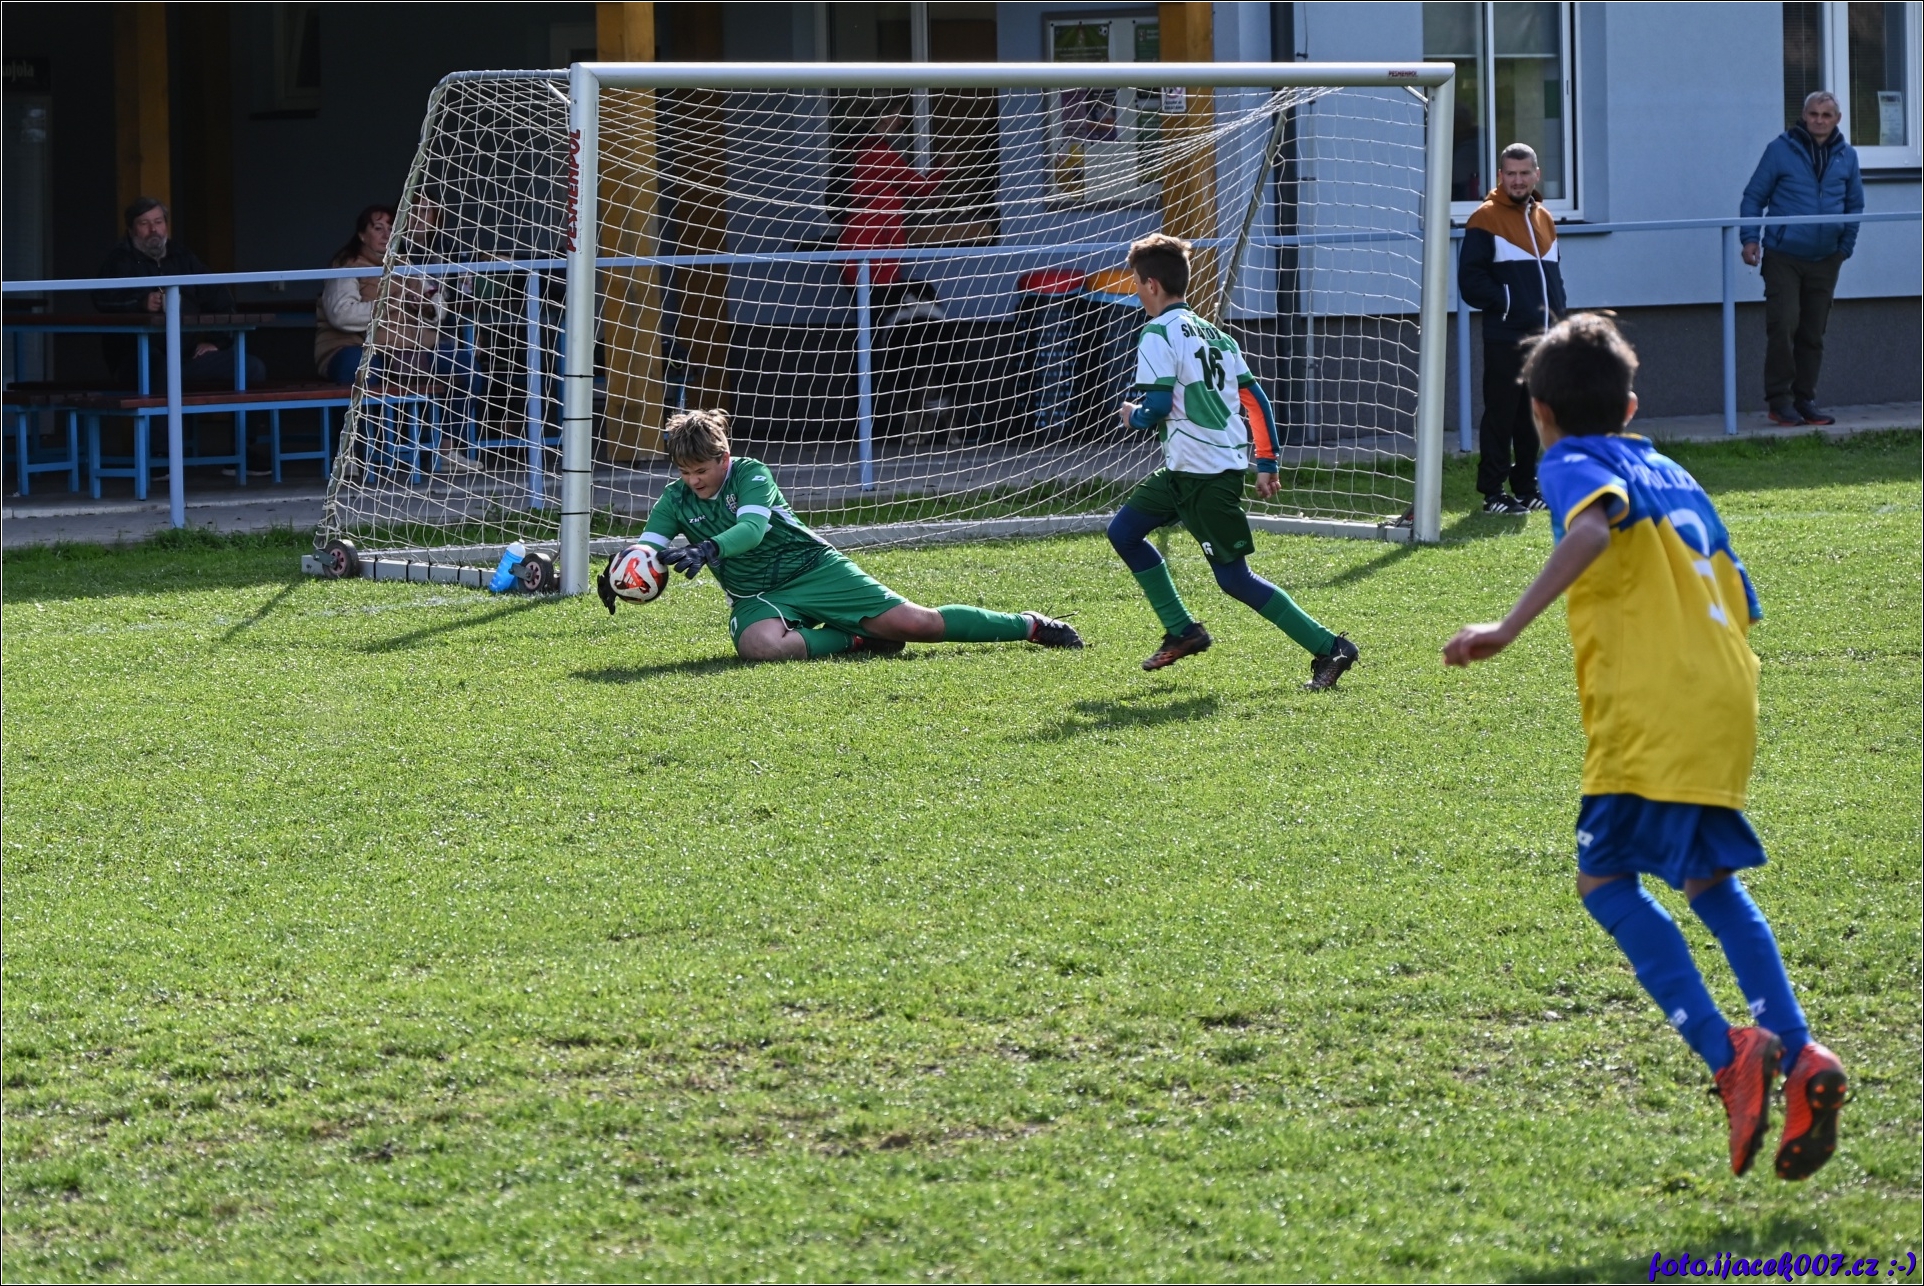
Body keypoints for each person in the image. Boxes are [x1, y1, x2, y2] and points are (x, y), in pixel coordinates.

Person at [1443, 313, 1847, 1183]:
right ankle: (1802, 1049)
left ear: (1540, 413)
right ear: (1630, 407)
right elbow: (1742, 594)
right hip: (1726, 692)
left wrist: (1505, 628)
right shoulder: (1673, 472)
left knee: (1604, 881)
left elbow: (1591, 531)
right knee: (1710, 883)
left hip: (1653, 707)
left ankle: (1729, 1056)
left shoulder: (1568, 462)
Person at [603, 408, 1084, 662]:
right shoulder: (676, 498)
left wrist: (710, 547)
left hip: (814, 570)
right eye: (685, 472)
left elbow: (751, 530)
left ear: (723, 458)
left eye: (701, 470)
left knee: (918, 625)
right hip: (755, 595)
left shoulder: (751, 474)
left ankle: (1029, 625)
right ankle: (857, 640)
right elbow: (649, 545)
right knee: (761, 648)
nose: (693, 481)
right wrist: (622, 570)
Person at [1104, 234, 1357, 688]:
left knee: (1235, 579)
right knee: (1124, 531)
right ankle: (1182, 630)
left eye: (1137, 284)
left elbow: (1157, 406)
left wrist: (1133, 415)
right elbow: (1255, 400)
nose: (1137, 292)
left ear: (1152, 285)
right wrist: (1267, 461)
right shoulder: (1217, 335)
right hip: (1186, 471)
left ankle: (1330, 647)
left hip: (1205, 477)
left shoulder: (1157, 333)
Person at [1741, 90, 1863, 427]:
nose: (1819, 120)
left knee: (1813, 332)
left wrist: (1844, 248)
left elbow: (1855, 205)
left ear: (1837, 119)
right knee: (1784, 325)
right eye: (1813, 114)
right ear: (1803, 115)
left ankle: (1805, 400)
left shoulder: (1847, 156)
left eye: (1826, 115)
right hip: (1784, 256)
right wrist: (1749, 239)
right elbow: (1754, 197)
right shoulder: (1780, 150)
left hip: (1826, 258)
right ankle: (1780, 402)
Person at [1458, 143, 1566, 515]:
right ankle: (1492, 492)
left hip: (1544, 336)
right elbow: (1471, 281)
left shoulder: (1545, 218)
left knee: (1533, 416)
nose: (1518, 180)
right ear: (1500, 176)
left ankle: (1526, 487)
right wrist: (1507, 301)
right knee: (1501, 414)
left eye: (1524, 173)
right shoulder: (1484, 218)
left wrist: (1559, 320)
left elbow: (1554, 280)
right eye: (1511, 174)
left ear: (1536, 174)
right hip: (1505, 335)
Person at [93, 197, 266, 389]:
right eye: (144, 223)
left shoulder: (182, 257)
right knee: (161, 369)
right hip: (137, 357)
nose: (153, 229)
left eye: (158, 222)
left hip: (186, 357)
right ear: (131, 230)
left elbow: (220, 298)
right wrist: (141, 302)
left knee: (251, 368)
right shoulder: (119, 261)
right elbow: (103, 299)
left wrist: (216, 342)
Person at [838, 104, 945, 297]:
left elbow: (875, 199)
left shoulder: (855, 148)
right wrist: (944, 165)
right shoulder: (878, 152)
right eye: (898, 115)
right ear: (884, 118)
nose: (902, 121)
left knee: (874, 312)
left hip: (860, 250)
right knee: (885, 309)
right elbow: (923, 188)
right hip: (872, 256)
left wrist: (913, 203)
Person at [314, 204, 395, 384]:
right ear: (362, 235)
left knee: (455, 363)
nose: (386, 235)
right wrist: (391, 307)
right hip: (349, 346)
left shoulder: (406, 265)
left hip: (401, 349)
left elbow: (438, 307)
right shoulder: (347, 265)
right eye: (378, 228)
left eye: (391, 229)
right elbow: (342, 314)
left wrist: (426, 308)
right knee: (362, 370)